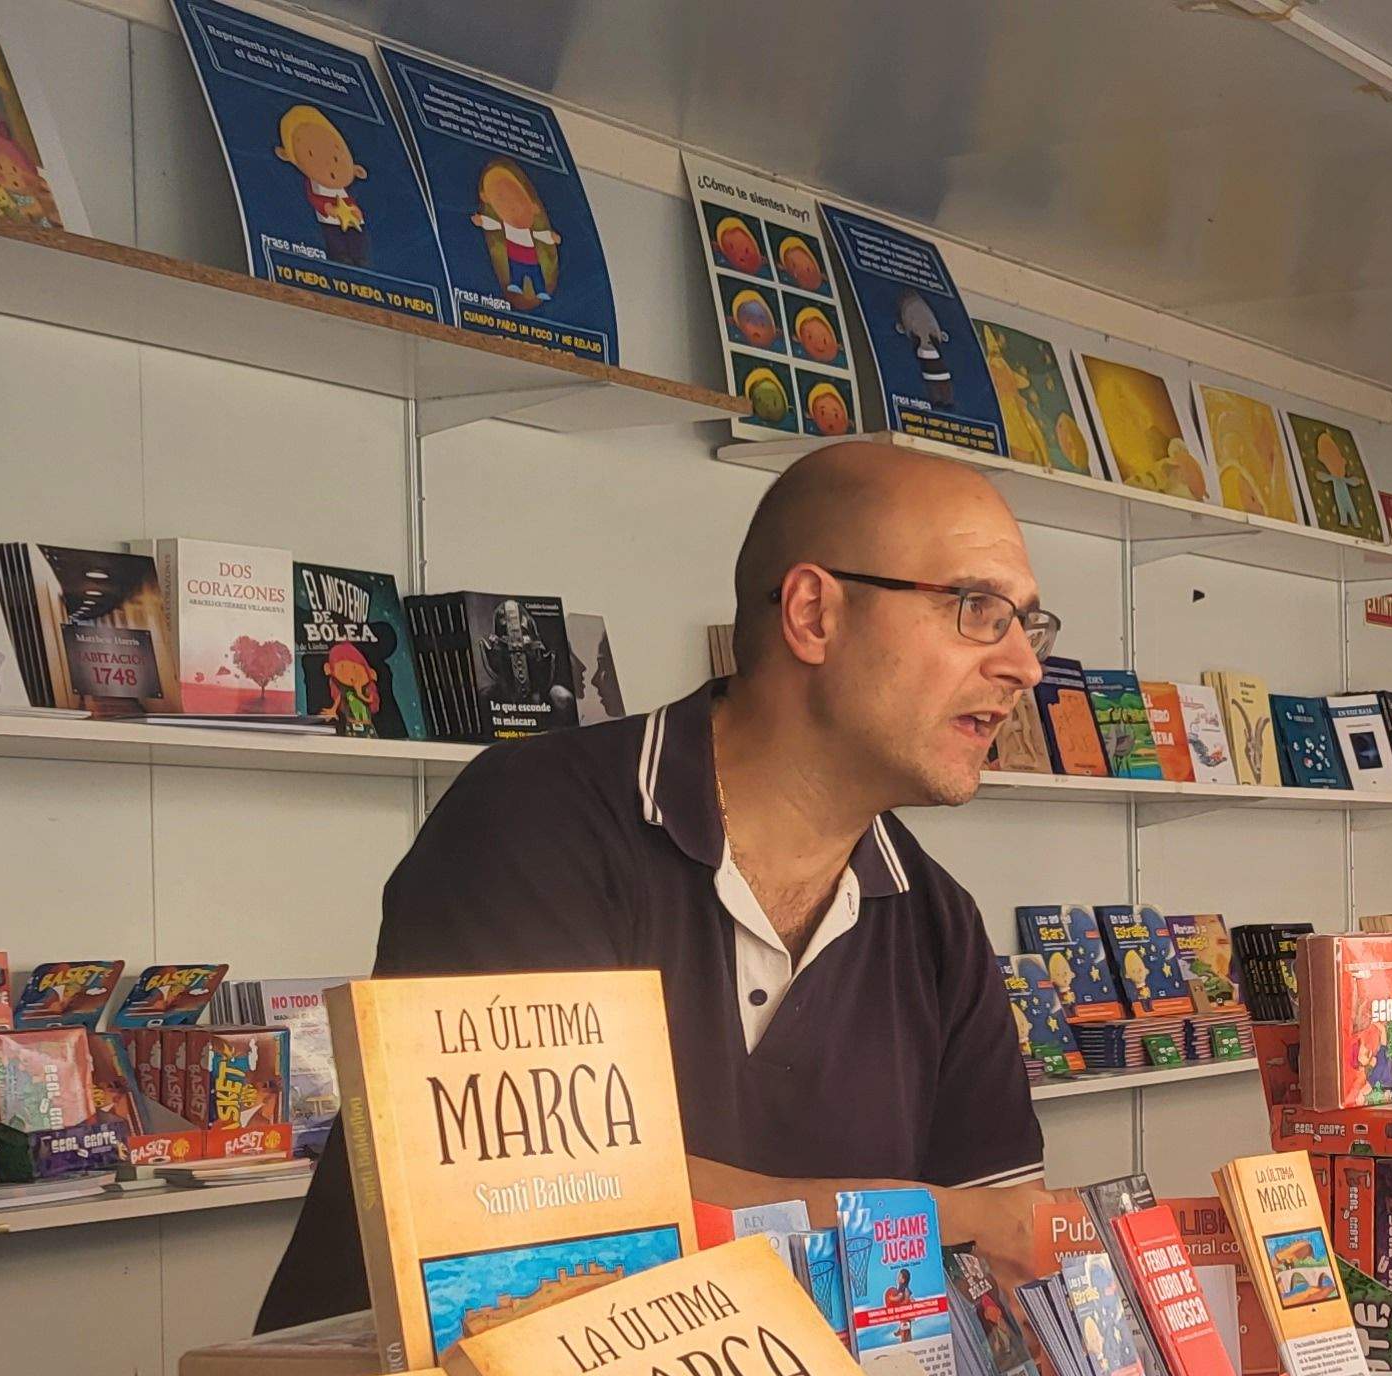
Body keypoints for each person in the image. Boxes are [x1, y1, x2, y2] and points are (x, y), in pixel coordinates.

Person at [255, 443, 1062, 1329]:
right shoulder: (537, 821)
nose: (1024, 665)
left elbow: (1009, 1258)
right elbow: (539, 1210)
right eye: (977, 609)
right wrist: (932, 1221)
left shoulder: (936, 919)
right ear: (813, 614)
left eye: (1030, 624)